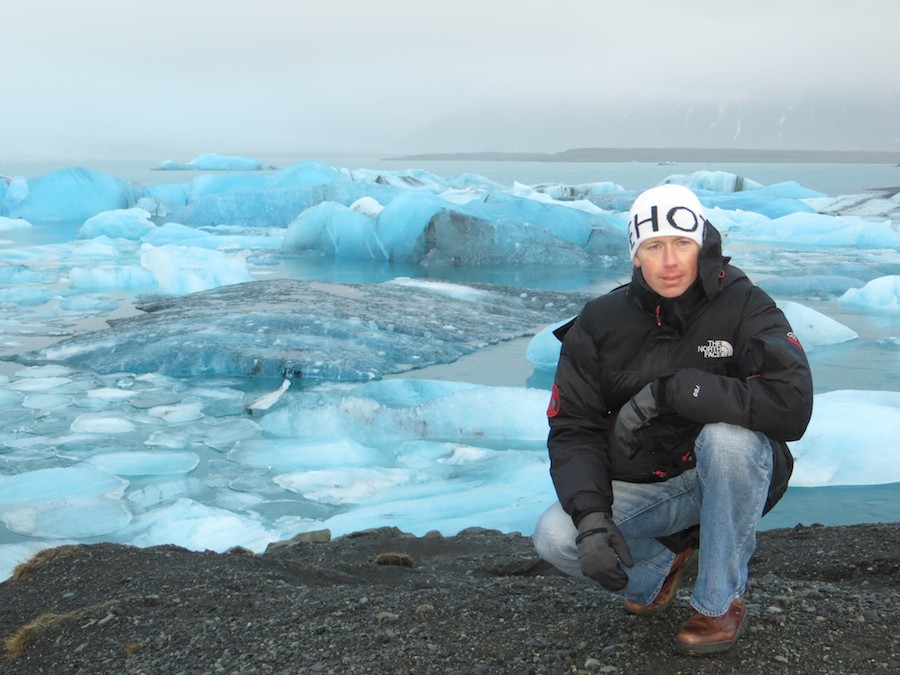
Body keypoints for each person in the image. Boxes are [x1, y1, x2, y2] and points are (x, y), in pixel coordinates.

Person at [532, 183, 814, 655]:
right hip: (652, 483)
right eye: (654, 246)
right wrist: (593, 517)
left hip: (732, 474)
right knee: (557, 536)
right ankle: (657, 573)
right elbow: (573, 427)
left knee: (727, 440)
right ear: (635, 255)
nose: (669, 261)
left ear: (701, 243)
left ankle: (718, 601)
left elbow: (792, 404)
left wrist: (678, 390)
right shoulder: (600, 321)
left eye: (681, 243)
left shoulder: (746, 305)